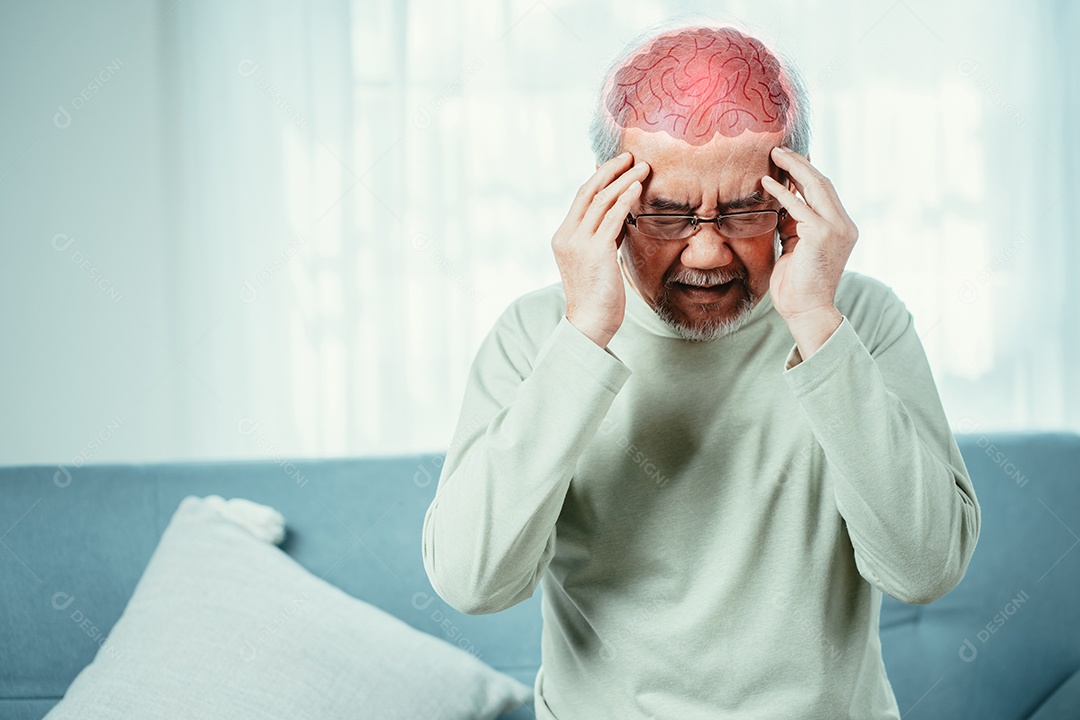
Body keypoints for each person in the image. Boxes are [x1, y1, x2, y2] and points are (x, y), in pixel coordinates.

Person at [421, 19, 981, 720]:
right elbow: (475, 584)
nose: (709, 253)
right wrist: (586, 333)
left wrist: (816, 323)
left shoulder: (856, 318)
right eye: (667, 214)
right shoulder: (538, 335)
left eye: (745, 208)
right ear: (611, 204)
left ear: (793, 196)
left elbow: (924, 570)